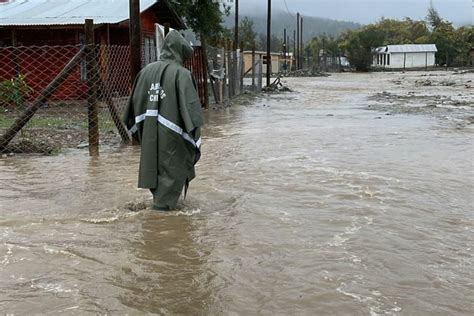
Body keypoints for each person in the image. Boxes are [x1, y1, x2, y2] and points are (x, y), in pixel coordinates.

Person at [124, 30, 203, 211]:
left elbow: (132, 108)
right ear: (181, 52)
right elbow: (192, 113)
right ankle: (162, 221)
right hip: (174, 140)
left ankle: (156, 221)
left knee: (156, 173)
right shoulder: (182, 75)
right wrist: (196, 141)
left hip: (149, 136)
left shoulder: (144, 72)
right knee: (172, 173)